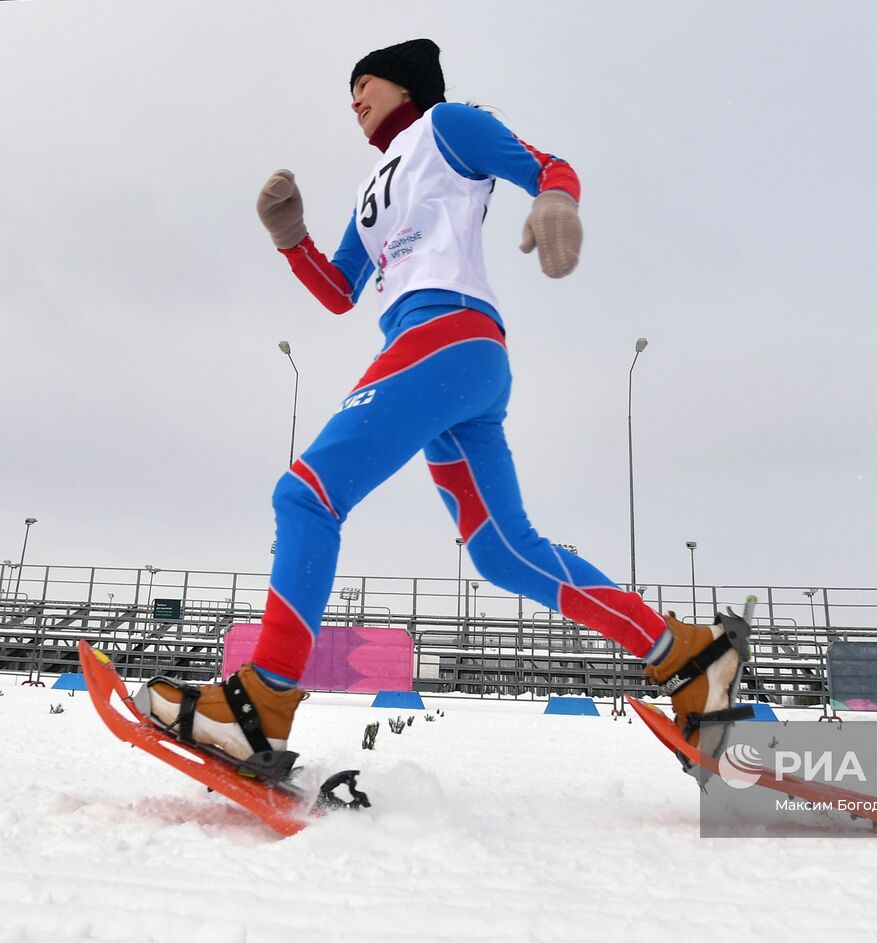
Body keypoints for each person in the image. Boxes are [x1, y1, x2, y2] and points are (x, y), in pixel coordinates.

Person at [138, 39, 746, 768]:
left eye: (363, 83)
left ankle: (261, 701)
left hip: (446, 336)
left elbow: (548, 164)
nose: (354, 99)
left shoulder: (448, 125)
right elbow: (341, 292)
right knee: (503, 550)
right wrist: (292, 240)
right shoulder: (374, 188)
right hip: (453, 361)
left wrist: (555, 198)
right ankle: (689, 656)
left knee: (305, 497)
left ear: (405, 85)